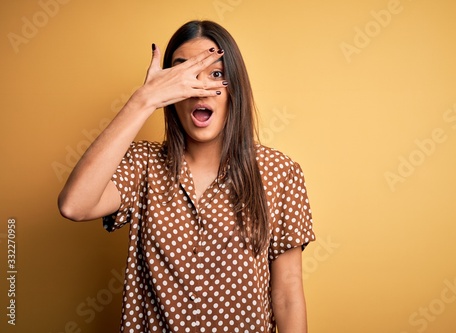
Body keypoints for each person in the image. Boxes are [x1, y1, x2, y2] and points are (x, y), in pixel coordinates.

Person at [58, 20, 315, 333]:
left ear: (235, 87)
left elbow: (287, 293)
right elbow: (74, 205)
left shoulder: (279, 173)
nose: (200, 88)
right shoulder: (144, 164)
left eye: (216, 74)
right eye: (184, 75)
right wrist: (144, 99)